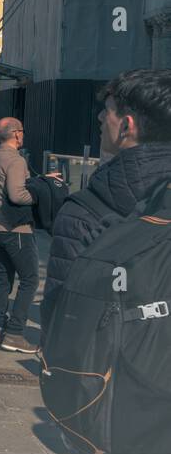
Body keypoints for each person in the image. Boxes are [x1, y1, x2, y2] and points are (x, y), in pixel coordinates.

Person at [44, 69, 171, 321]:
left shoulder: (82, 213)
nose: (101, 117)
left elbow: (62, 323)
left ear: (126, 126)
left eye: (108, 109)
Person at [0, 117, 44, 352]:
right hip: (16, 228)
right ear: (17, 134)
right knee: (30, 279)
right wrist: (39, 195)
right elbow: (18, 195)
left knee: (4, 277)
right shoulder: (15, 161)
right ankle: (15, 332)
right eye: (22, 131)